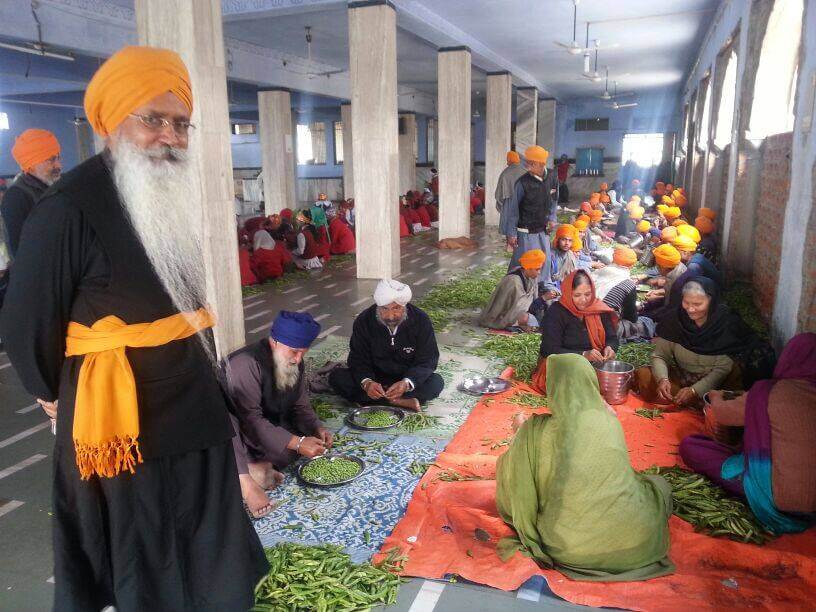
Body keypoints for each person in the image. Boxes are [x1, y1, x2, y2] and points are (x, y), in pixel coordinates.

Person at [0, 46, 267, 609]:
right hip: (122, 421)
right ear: (110, 122)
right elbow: (28, 327)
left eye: (179, 123)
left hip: (192, 405)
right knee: (145, 556)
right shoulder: (66, 206)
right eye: (152, 119)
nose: (169, 136)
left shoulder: (175, 193)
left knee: (207, 541)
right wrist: (57, 397)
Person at [496, 354, 674, 581]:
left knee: (520, 471)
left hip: (570, 550)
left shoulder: (537, 431)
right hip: (635, 544)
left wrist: (520, 435)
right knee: (658, 486)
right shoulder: (609, 421)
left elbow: (514, 480)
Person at [679, 333, 816, 533]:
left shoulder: (767, 392)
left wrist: (716, 396)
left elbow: (723, 415)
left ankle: (758, 488)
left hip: (774, 499)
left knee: (693, 446)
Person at [224, 311, 331, 518]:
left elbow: (300, 405)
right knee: (232, 431)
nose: (298, 359)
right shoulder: (244, 364)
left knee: (290, 451)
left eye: (304, 352)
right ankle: (245, 479)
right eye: (294, 352)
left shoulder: (294, 361)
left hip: (268, 425)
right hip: (239, 431)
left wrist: (316, 428)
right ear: (274, 342)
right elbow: (251, 420)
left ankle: (256, 468)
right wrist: (298, 443)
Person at [641, 278, 774, 408]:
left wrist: (695, 391)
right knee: (643, 375)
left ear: (711, 301)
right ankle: (690, 402)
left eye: (697, 304)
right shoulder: (675, 321)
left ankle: (704, 403)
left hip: (719, 383)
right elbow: (659, 355)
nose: (690, 309)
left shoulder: (726, 324)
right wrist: (663, 379)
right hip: (684, 376)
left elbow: (724, 367)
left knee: (731, 398)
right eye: (686, 302)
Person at [329, 280, 443, 411]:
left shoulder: (421, 320)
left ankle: (374, 401)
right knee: (337, 377)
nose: (390, 316)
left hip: (405, 378)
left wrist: (407, 383)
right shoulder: (364, 320)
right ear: (378, 306)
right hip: (375, 378)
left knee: (436, 382)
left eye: (396, 308)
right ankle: (399, 401)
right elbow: (357, 358)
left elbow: (428, 360)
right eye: (384, 309)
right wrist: (367, 382)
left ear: (404, 306)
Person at [2, 129, 62, 259]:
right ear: (32, 163)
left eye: (58, 157)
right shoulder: (17, 197)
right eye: (51, 160)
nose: (58, 165)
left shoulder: (54, 188)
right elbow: (20, 251)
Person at [503, 145, 558, 277]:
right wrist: (511, 234)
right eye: (527, 162)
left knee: (544, 262)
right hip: (525, 232)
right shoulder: (522, 183)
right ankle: (515, 287)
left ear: (541, 164)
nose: (527, 166)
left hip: (543, 230)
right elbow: (513, 210)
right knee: (525, 264)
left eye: (531, 163)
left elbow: (554, 200)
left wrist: (552, 218)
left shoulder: (552, 177)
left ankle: (541, 289)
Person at [478, 249, 545, 330]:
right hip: (501, 316)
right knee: (526, 319)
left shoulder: (532, 278)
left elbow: (528, 302)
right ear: (528, 268)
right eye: (537, 269)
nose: (539, 272)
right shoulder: (513, 281)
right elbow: (503, 307)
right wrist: (543, 299)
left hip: (518, 312)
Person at [540, 224, 590, 299]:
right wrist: (560, 293)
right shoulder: (550, 256)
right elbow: (545, 282)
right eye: (563, 239)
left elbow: (573, 276)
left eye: (570, 240)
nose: (567, 243)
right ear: (557, 240)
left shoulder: (571, 255)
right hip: (551, 291)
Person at [495, 150, 527, 236]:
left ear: (510, 160)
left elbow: (499, 194)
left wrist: (501, 204)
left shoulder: (505, 173)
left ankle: (510, 243)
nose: (507, 163)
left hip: (508, 202)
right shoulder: (525, 171)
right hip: (523, 202)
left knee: (509, 227)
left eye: (507, 160)